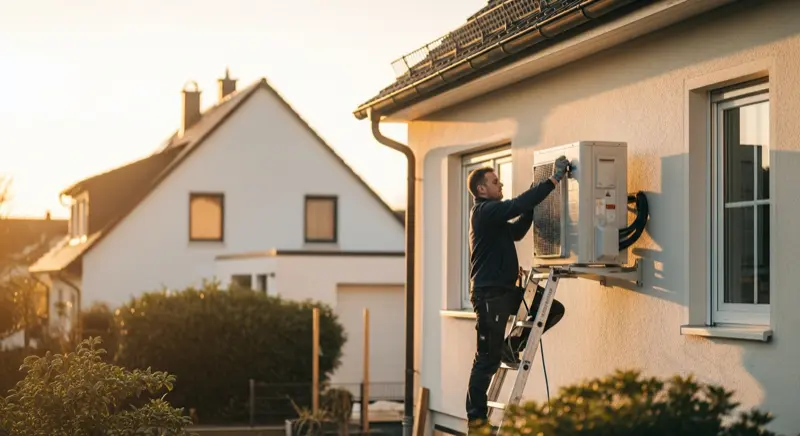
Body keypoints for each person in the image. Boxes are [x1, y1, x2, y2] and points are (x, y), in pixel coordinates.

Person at [465, 156, 570, 430]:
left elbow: (519, 230)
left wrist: (536, 201)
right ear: (481, 190)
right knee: (486, 359)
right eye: (495, 182)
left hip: (505, 292)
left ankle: (511, 347)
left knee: (551, 308)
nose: (500, 185)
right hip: (489, 296)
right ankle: (476, 422)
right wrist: (551, 181)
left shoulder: (494, 217)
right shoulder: (484, 211)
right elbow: (517, 205)